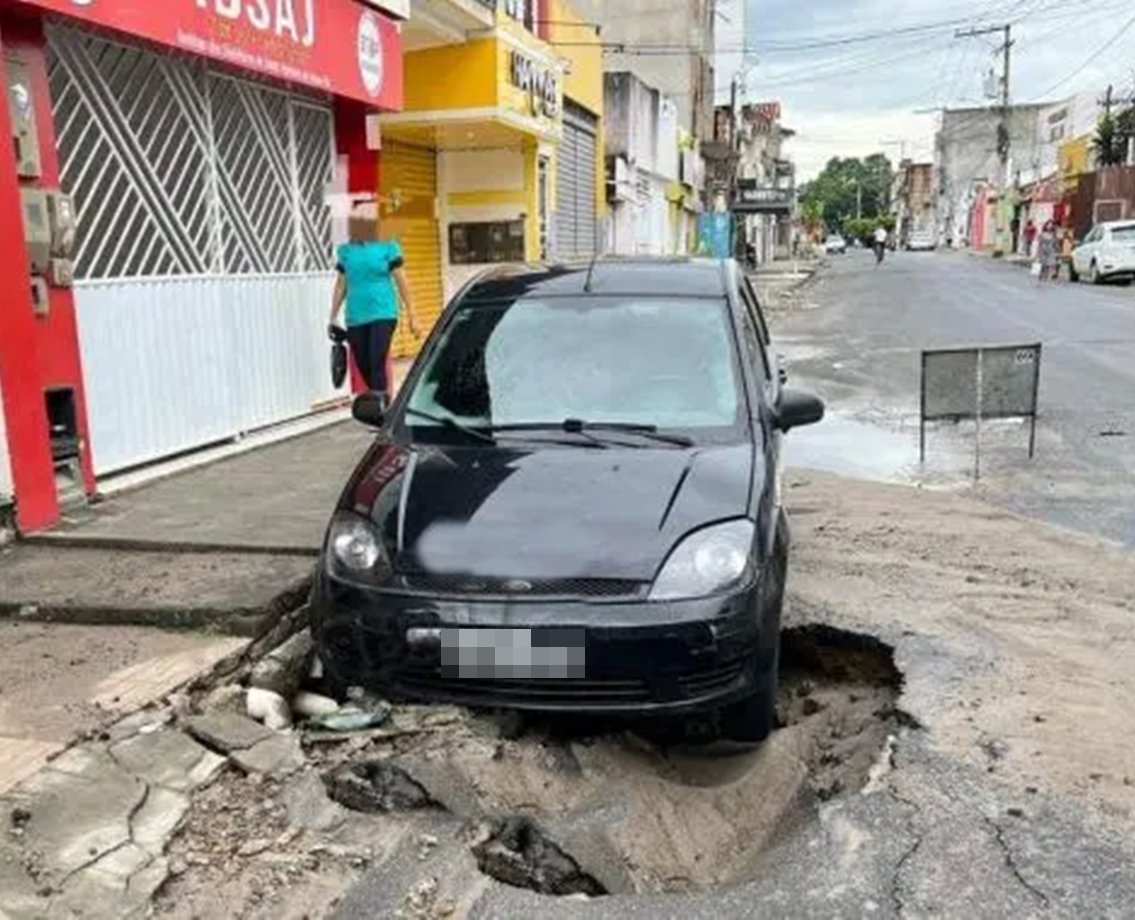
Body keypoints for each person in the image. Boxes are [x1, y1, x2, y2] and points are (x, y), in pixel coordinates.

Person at [330, 201, 420, 405]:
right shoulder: (345, 250)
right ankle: (382, 405)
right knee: (364, 366)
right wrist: (332, 316)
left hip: (383, 313)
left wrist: (413, 316)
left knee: (376, 359)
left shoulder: (388, 244)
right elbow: (341, 284)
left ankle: (382, 412)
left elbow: (401, 281)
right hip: (355, 317)